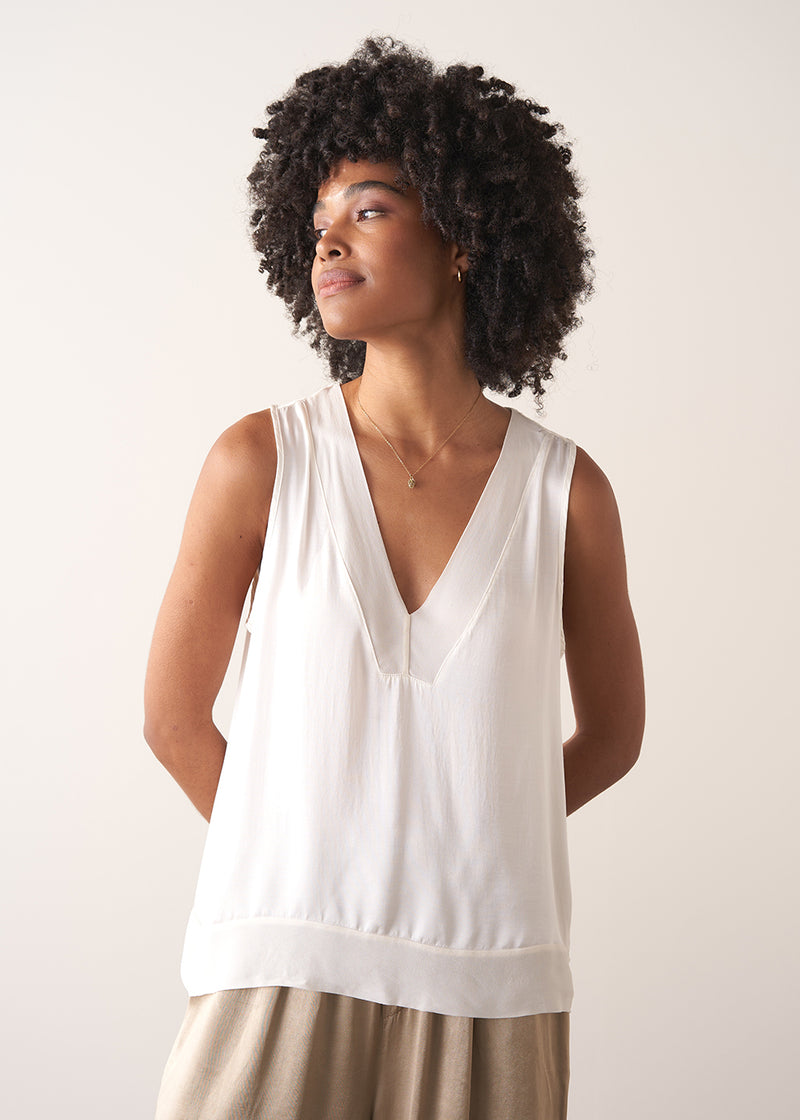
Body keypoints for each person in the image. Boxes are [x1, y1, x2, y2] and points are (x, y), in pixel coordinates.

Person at [145, 35, 645, 1120]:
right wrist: (301, 844)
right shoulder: (260, 461)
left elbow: (611, 735)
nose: (326, 238)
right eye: (315, 220)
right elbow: (173, 718)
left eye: (365, 209)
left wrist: (465, 827)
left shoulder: (567, 494)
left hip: (491, 985)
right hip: (277, 962)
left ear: (462, 234)